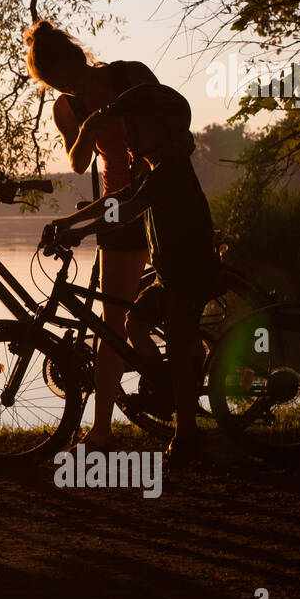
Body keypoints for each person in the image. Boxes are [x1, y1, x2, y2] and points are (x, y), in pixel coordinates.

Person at [42, 86, 221, 464]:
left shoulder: (170, 172)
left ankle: (186, 433)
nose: (129, 138)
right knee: (135, 322)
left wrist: (83, 231)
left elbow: (127, 211)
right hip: (169, 275)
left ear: (162, 130)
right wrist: (69, 221)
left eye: (135, 129)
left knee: (174, 337)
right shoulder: (155, 170)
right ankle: (166, 381)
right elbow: (116, 199)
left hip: (188, 274)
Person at [24, 19, 159, 449]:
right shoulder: (67, 107)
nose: (65, 88)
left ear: (77, 60)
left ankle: (171, 393)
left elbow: (168, 126)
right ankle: (102, 429)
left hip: (156, 198)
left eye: (65, 77)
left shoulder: (128, 75)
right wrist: (85, 126)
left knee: (157, 311)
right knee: (113, 324)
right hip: (116, 208)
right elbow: (80, 162)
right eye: (53, 83)